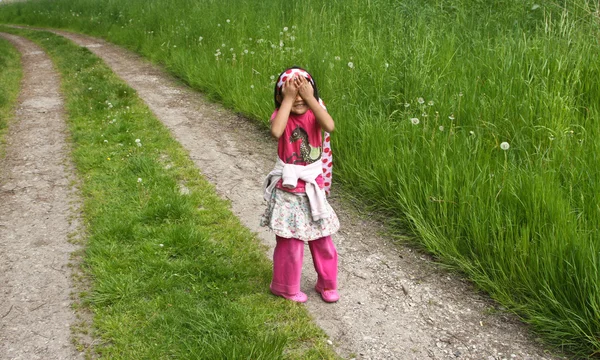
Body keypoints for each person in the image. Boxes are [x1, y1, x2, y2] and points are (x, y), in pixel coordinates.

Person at [261, 67, 340, 303]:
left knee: (323, 239)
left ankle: (327, 283)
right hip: (288, 189)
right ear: (280, 97)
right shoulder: (281, 116)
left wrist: (310, 97)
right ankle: (284, 287)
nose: (298, 99)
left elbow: (330, 126)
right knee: (290, 243)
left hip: (313, 188)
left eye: (303, 92)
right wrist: (287, 99)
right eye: (291, 93)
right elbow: (276, 131)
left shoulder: (316, 113)